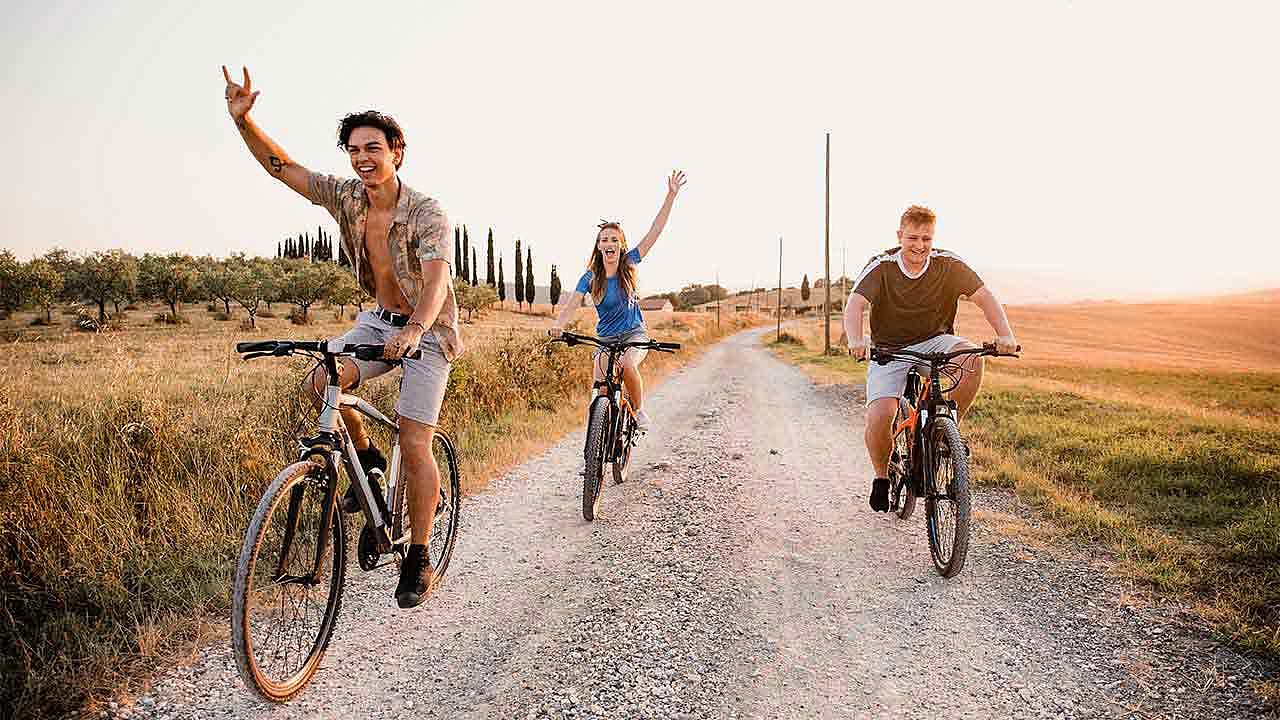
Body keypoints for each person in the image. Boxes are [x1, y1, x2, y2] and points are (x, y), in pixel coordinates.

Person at [221, 66, 462, 608]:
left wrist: (418, 330)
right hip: (379, 319)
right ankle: (366, 462)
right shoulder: (347, 198)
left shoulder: (427, 211)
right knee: (321, 381)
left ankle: (420, 555)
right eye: (354, 150)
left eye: (373, 147)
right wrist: (245, 121)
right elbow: (285, 170)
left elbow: (436, 278)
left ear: (398, 151)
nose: (363, 158)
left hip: (429, 327)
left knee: (415, 436)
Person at [843, 204, 1017, 512]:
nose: (920, 246)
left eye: (926, 239)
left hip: (935, 341)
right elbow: (855, 304)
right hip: (889, 348)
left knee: (971, 359)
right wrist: (857, 341)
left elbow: (984, 297)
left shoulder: (948, 264)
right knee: (880, 415)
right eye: (913, 238)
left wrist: (1006, 336)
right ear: (900, 236)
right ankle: (882, 477)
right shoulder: (881, 265)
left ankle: (945, 432)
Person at [548, 171, 687, 432]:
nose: (609, 243)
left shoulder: (630, 262)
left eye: (614, 239)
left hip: (634, 334)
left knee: (626, 365)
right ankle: (592, 452)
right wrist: (559, 324)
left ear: (621, 245)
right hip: (606, 338)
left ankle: (638, 410)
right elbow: (571, 304)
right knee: (598, 393)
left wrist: (670, 195)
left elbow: (655, 231)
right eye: (604, 240)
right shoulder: (590, 277)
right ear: (598, 247)